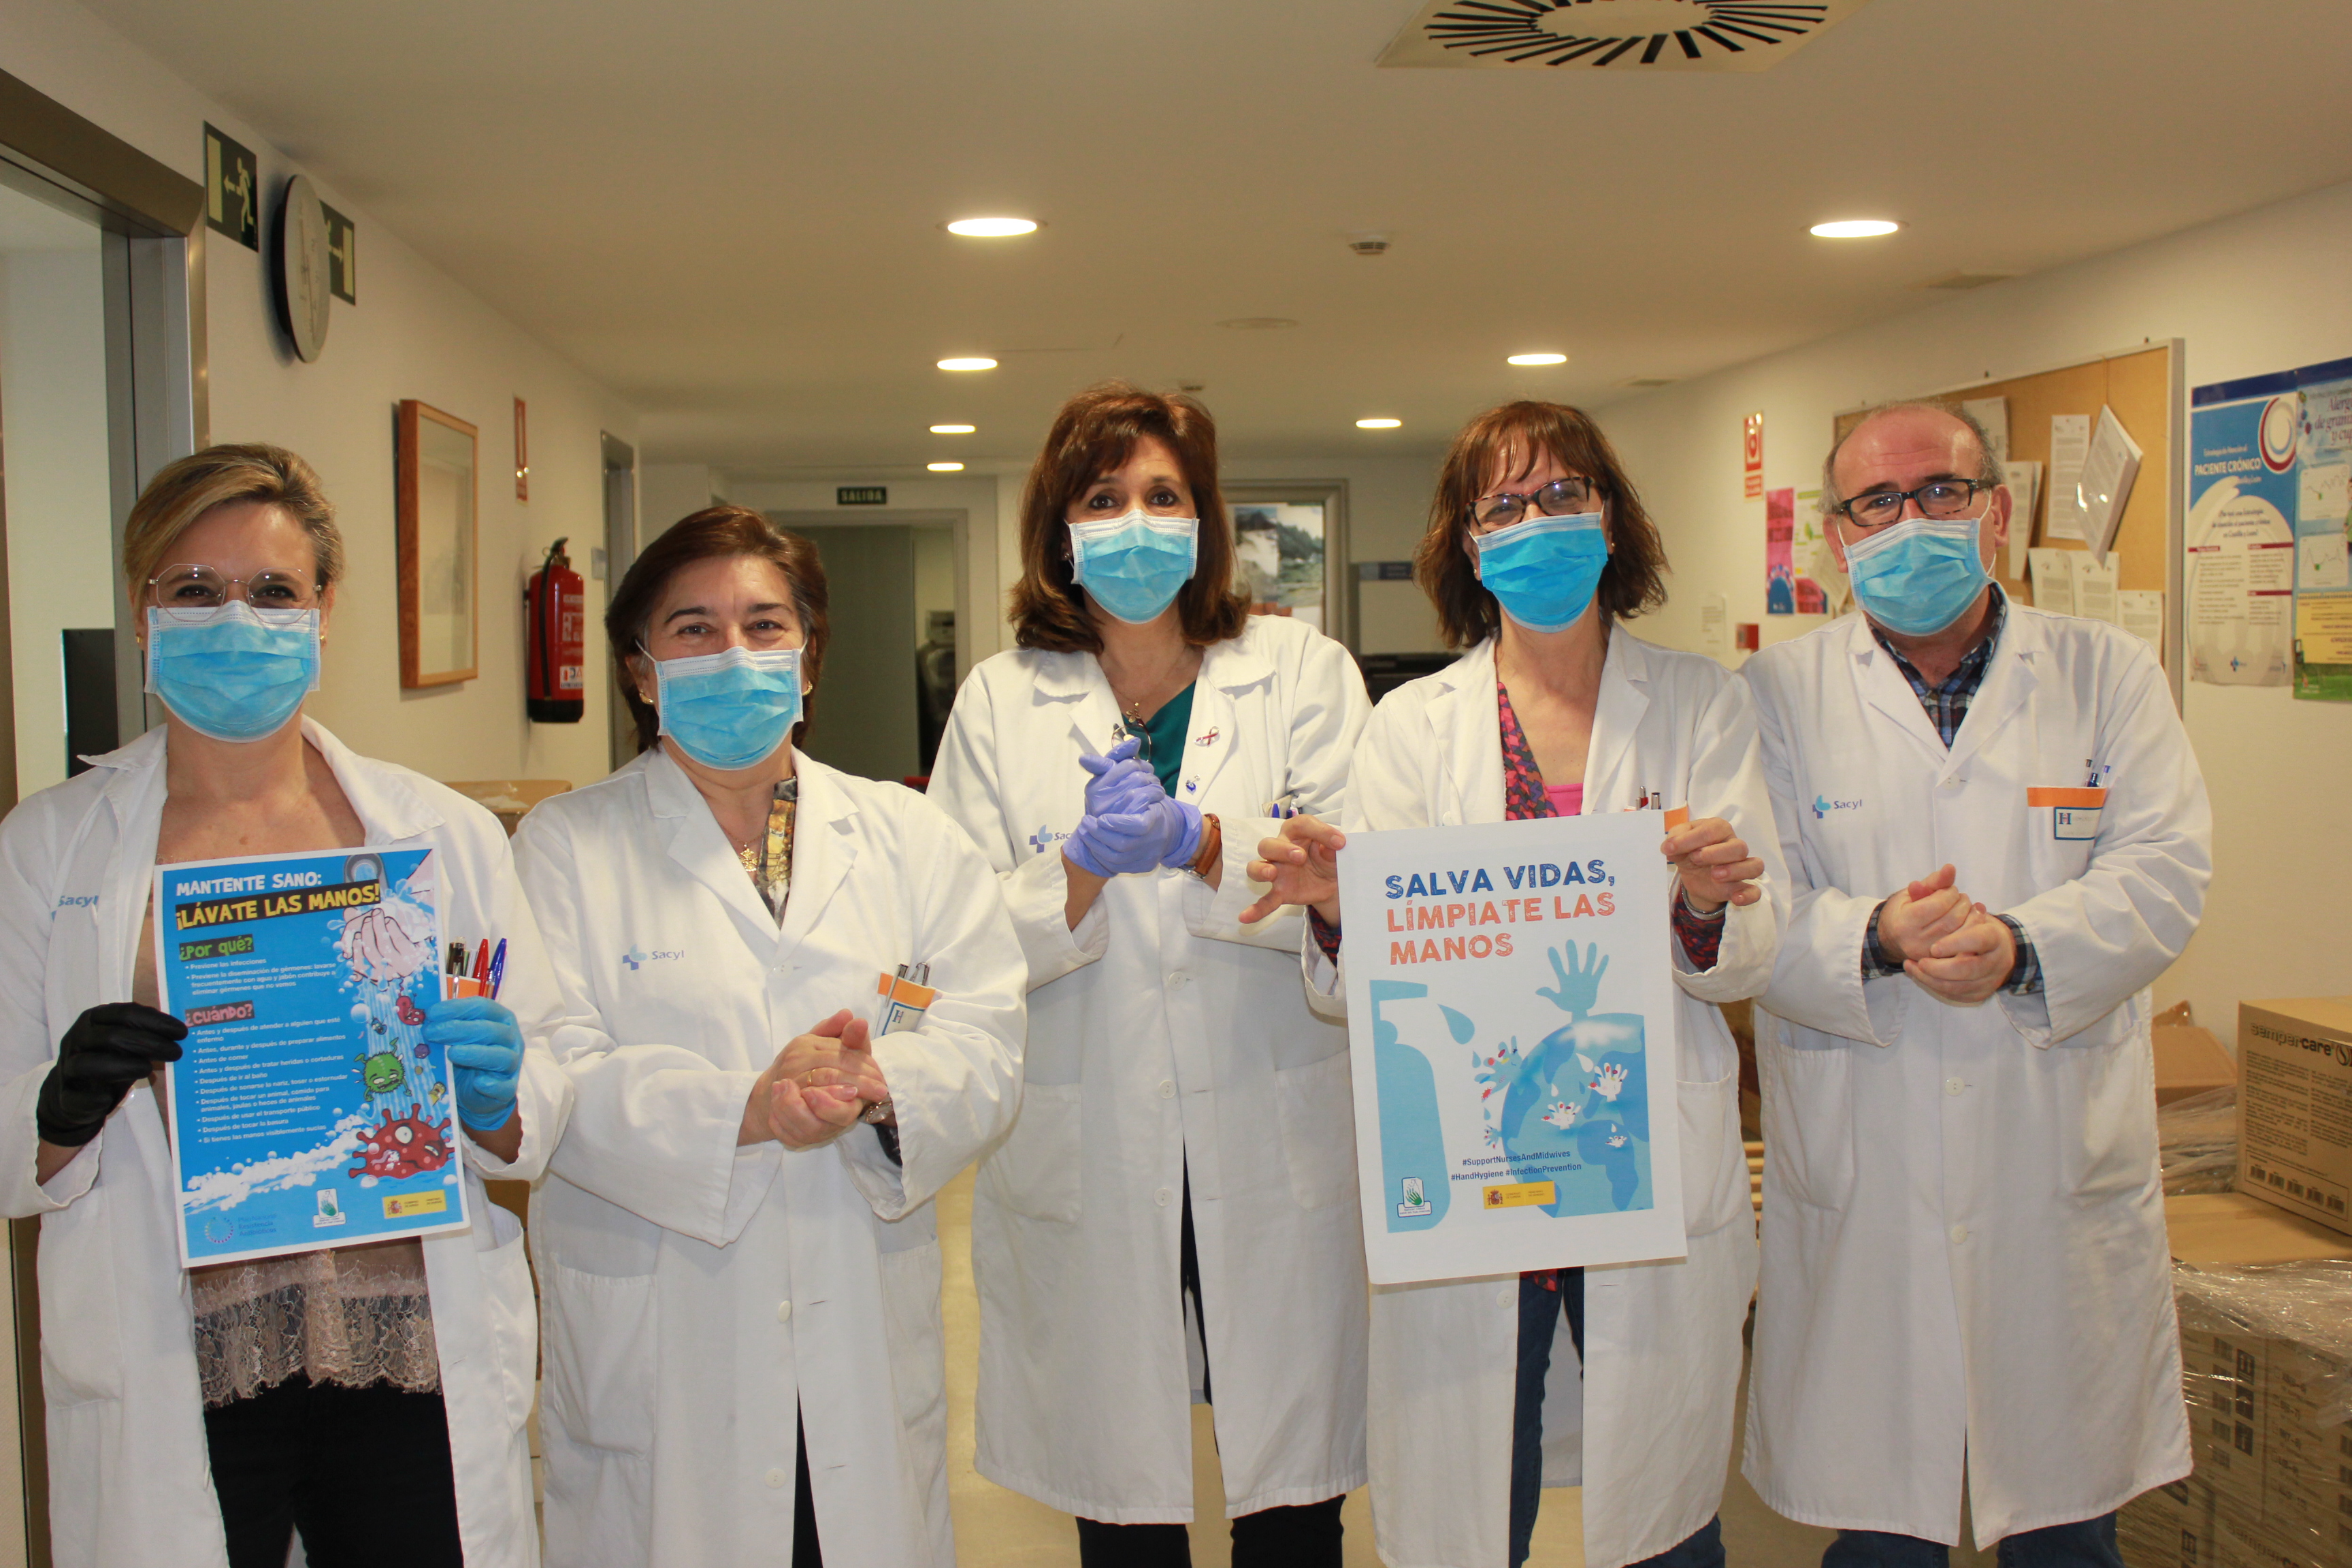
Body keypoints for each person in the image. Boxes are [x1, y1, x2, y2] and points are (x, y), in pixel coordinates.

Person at [0, 444, 570, 1567]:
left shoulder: (437, 834)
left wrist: (498, 1093)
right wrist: (56, 1110)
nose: (235, 620)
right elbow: (12, 1128)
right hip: (177, 1349)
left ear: (323, 610)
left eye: (272, 591)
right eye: (194, 589)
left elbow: (539, 1086)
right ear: (143, 612)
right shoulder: (49, 846)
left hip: (407, 1344)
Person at [1250, 399, 1785, 1568]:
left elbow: (1752, 945)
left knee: (1665, 1522)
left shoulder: (1701, 705)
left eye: (1562, 495)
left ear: (1610, 518)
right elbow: (1357, 991)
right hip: (1478, 1157)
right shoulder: (1411, 729)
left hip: (1637, 1153)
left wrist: (1704, 901)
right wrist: (1338, 909)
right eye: (1504, 504)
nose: (1537, 521)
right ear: (1467, 540)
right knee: (1475, 1507)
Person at [1739, 402, 2211, 1568]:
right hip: (1868, 1156)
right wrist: (1877, 936)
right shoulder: (1773, 695)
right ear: (1839, 536)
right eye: (1877, 502)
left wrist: (2022, 946)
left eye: (1940, 493)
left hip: (2048, 1154)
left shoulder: (2107, 672)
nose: (1912, 521)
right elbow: (1751, 909)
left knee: (2065, 1523)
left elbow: (2166, 871)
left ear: (1995, 512)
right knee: (1882, 1532)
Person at [511, 506, 1024, 1567]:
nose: (734, 654)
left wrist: (881, 1085)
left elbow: (983, 1036)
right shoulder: (566, 848)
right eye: (693, 629)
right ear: (641, 670)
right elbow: (549, 1073)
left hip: (857, 1327)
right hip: (665, 1346)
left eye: (764, 625)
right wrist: (746, 1109)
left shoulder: (908, 837)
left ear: (807, 656)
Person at [927, 382, 1371, 1566]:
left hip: (1271, 1132)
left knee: (1294, 1515)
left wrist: (1207, 844)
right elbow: (951, 945)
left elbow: (1361, 889)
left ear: (1206, 519)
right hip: (1096, 1142)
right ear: (1059, 528)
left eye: (1164, 496)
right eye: (1103, 496)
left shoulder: (1303, 672)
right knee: (1124, 1511)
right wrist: (1076, 871)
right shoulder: (999, 699)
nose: (1137, 520)